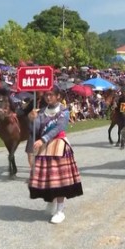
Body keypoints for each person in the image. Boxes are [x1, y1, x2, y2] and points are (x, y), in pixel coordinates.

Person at [26, 85, 83, 224]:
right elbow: (36, 130)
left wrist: (43, 139)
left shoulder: (64, 111)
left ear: (58, 96)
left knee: (60, 179)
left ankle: (60, 210)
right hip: (45, 146)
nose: (48, 97)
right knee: (47, 177)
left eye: (51, 94)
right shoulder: (42, 111)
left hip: (58, 145)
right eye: (46, 95)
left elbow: (59, 127)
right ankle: (51, 201)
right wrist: (31, 119)